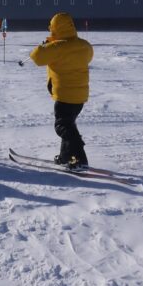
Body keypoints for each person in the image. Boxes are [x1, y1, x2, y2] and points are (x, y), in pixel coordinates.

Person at [28, 12, 94, 169]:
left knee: (62, 126)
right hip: (80, 97)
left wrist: (48, 43)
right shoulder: (84, 45)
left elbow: (36, 57)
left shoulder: (57, 47)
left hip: (65, 96)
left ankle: (80, 159)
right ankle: (66, 156)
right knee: (68, 124)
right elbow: (88, 56)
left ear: (55, 29)